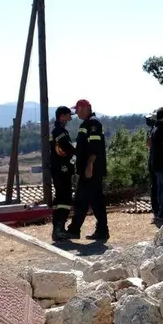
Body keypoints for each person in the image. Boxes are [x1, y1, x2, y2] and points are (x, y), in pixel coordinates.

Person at [65, 98, 109, 241]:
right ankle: (101, 231)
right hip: (88, 169)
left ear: (85, 108)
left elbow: (95, 147)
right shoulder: (87, 123)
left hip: (91, 170)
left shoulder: (93, 123)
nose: (76, 113)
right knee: (96, 201)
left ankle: (74, 230)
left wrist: (89, 166)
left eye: (77, 110)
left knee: (81, 200)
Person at [48, 105, 76, 241]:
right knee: (64, 199)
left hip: (61, 170)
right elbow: (67, 148)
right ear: (62, 116)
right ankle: (58, 229)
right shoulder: (59, 131)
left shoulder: (59, 130)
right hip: (61, 170)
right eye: (68, 115)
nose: (70, 117)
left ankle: (59, 229)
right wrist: (78, 151)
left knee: (62, 199)